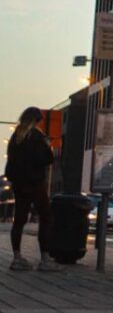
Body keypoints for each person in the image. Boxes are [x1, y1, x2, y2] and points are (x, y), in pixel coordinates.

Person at [4, 107, 58, 271]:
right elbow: (46, 159)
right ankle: (45, 259)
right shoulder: (36, 135)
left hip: (19, 185)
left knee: (19, 220)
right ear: (35, 120)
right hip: (35, 183)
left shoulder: (16, 137)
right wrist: (47, 146)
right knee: (46, 216)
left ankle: (17, 257)